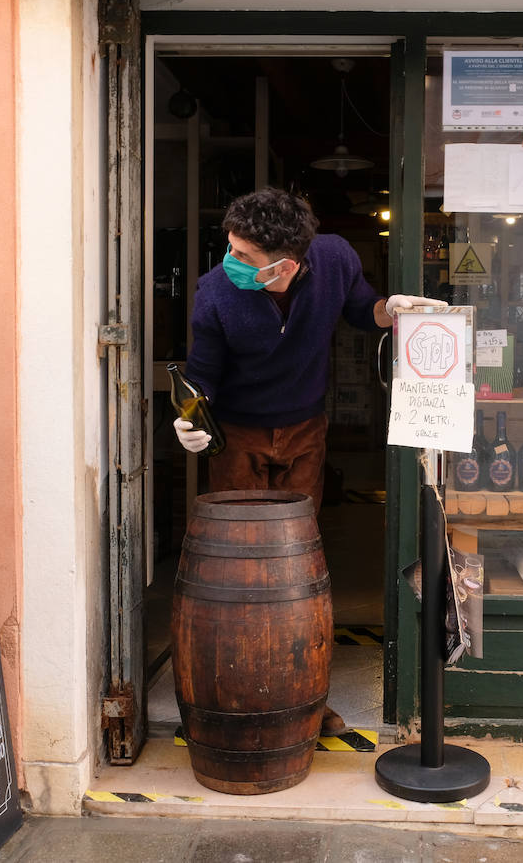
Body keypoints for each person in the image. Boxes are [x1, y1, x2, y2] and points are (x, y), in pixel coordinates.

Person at [174, 186, 440, 736]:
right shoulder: (214, 292)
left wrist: (388, 310)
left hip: (305, 430)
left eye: (244, 256)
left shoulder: (336, 258)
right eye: (229, 247)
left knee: (297, 564)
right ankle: (241, 693)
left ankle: (304, 697)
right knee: (243, 569)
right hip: (240, 436)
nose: (230, 261)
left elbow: (361, 309)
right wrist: (187, 419)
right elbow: (202, 370)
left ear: (286, 265)